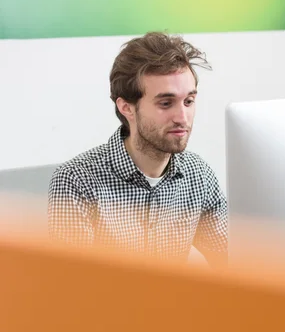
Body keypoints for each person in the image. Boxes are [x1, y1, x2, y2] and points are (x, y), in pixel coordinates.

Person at [48, 32, 227, 266]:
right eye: (166, 103)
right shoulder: (77, 181)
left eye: (189, 101)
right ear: (127, 108)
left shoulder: (198, 175)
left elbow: (236, 261)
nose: (182, 117)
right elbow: (69, 289)